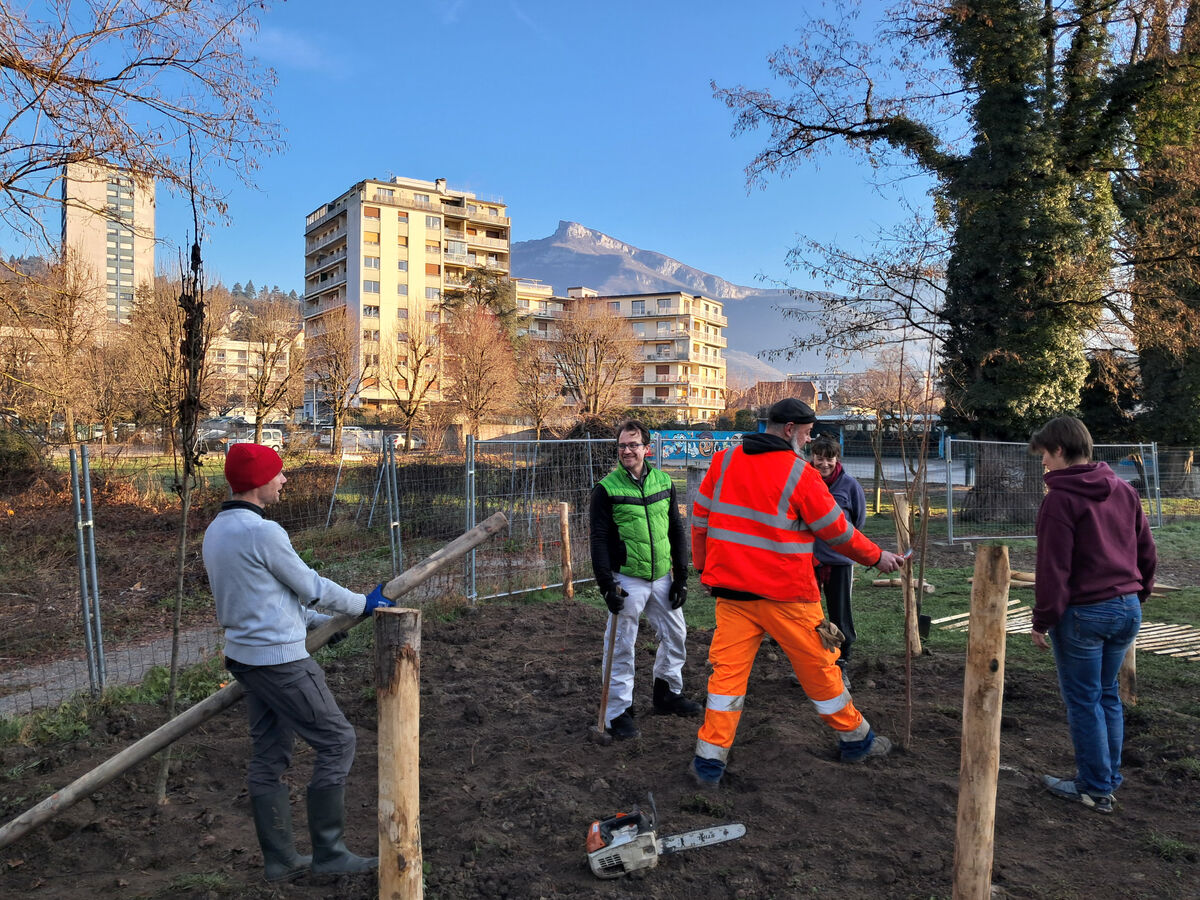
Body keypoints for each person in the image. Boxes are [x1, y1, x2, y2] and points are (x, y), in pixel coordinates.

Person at [688, 398, 904, 787]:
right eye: (805, 434)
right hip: (787, 596)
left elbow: (700, 520)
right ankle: (856, 740)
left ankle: (709, 763)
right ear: (789, 429)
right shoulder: (800, 474)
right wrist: (877, 557)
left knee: (727, 679)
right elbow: (836, 531)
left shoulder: (723, 462)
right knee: (820, 667)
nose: (807, 443)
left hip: (733, 594)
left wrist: (705, 570)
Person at [202, 443, 393, 881]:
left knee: (270, 754)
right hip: (279, 663)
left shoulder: (218, 530)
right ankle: (329, 854)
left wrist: (323, 623)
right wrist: (363, 603)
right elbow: (309, 584)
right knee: (338, 741)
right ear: (257, 482)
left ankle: (281, 860)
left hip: (246, 657)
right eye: (278, 474)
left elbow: (266, 599)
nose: (284, 480)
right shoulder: (262, 532)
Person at [1029, 416, 1156, 815]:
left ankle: (1096, 787)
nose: (1044, 464)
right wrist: (1138, 594)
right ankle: (1107, 777)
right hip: (1126, 607)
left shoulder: (1060, 500)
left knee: (1084, 700)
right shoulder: (1123, 490)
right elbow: (1146, 550)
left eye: (1046, 455)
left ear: (1061, 450)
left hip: (1084, 614)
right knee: (1106, 695)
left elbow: (1054, 569)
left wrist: (1042, 619)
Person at [590, 419, 701, 741]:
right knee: (622, 645)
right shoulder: (607, 489)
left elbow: (676, 530)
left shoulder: (664, 482)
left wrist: (680, 578)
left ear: (646, 448)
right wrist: (606, 585)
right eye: (622, 445)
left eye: (633, 444)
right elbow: (598, 539)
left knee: (676, 634)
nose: (627, 450)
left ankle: (667, 693)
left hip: (662, 578)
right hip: (627, 579)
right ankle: (617, 713)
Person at [809, 434, 867, 690]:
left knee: (840, 615)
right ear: (812, 458)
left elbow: (859, 522)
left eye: (829, 458)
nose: (824, 464)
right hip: (807, 561)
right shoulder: (805, 482)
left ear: (837, 458)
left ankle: (841, 663)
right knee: (808, 616)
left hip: (839, 562)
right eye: (819, 458)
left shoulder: (849, 486)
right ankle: (814, 665)